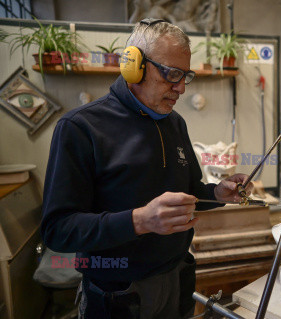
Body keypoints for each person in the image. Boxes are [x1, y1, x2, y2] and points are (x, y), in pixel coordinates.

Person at [41, 19, 253, 319]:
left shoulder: (175, 123)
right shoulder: (80, 128)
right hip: (118, 292)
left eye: (185, 75)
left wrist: (218, 193)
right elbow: (57, 229)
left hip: (176, 278)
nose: (180, 87)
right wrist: (139, 221)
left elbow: (191, 192)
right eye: (172, 74)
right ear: (134, 66)